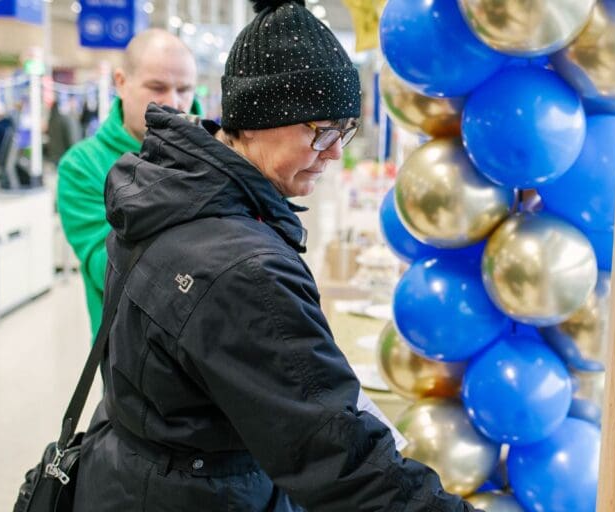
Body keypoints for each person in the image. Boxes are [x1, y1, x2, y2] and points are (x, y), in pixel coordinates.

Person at [73, 1, 476, 510]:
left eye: (344, 130)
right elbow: (340, 459)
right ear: (259, 120)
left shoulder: (164, 189)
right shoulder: (244, 269)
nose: (334, 151)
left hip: (131, 475)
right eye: (320, 130)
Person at [58, 28, 199, 339]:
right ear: (121, 82)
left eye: (185, 89)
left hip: (214, 352)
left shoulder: (218, 152)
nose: (173, 103)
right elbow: (107, 268)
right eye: (157, 87)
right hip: (132, 361)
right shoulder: (83, 165)